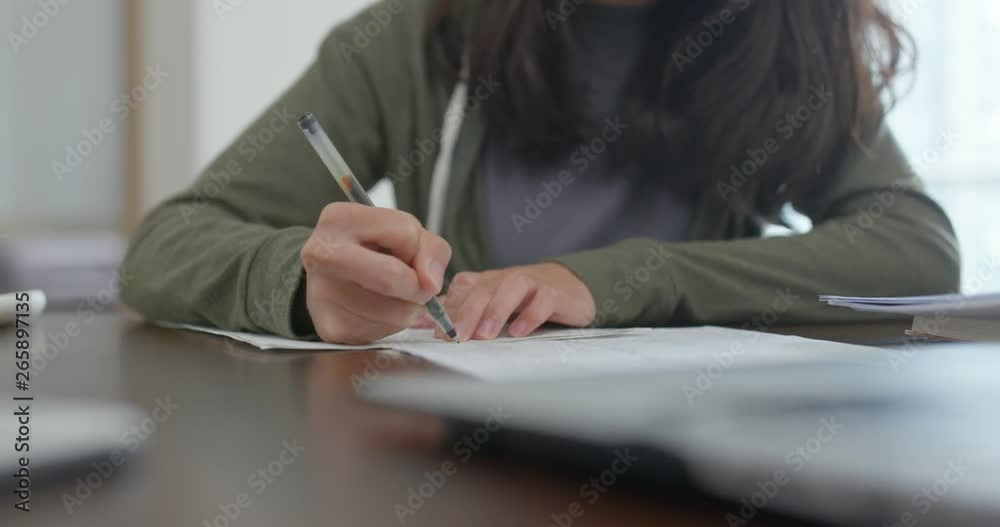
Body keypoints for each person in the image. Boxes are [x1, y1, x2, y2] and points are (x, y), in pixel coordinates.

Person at [121, 0, 960, 345]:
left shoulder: (777, 40)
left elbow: (915, 246)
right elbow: (166, 244)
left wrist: (633, 277)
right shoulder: (415, 40)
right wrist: (306, 288)